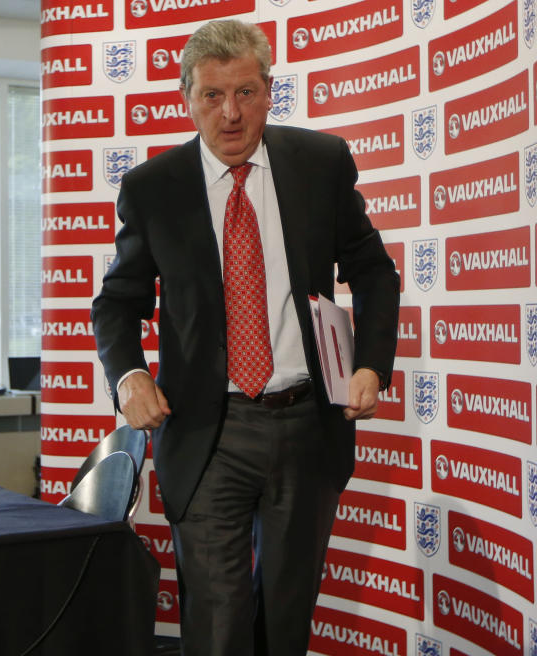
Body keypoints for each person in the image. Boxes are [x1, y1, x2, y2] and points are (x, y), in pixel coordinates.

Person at [90, 20, 400, 656]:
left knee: (285, 623)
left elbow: (374, 272)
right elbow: (116, 306)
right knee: (218, 621)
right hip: (209, 433)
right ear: (188, 98)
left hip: (308, 424)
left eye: (246, 93)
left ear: (268, 92)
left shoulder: (320, 163)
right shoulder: (152, 188)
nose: (230, 114)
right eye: (212, 96)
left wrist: (371, 363)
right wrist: (130, 376)